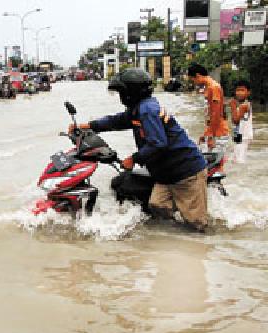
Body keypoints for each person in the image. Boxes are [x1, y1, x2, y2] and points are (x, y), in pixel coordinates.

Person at [71, 68, 209, 232]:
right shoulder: (140, 108)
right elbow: (118, 121)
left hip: (185, 173)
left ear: (131, 92)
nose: (121, 96)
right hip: (166, 174)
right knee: (157, 207)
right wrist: (87, 126)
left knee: (196, 225)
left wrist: (134, 159)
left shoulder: (147, 110)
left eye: (122, 91)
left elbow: (158, 143)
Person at [187, 64, 229, 150]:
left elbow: (216, 113)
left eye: (193, 80)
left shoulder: (214, 88)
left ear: (198, 76)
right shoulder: (209, 87)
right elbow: (212, 112)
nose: (193, 83)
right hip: (215, 131)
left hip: (219, 133)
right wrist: (206, 133)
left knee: (217, 161)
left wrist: (211, 135)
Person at [230, 79, 253, 164]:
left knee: (239, 160)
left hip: (243, 136)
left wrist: (233, 107)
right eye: (237, 90)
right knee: (236, 158)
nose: (239, 92)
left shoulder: (244, 105)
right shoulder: (240, 104)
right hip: (239, 134)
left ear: (248, 92)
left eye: (242, 90)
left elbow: (235, 120)